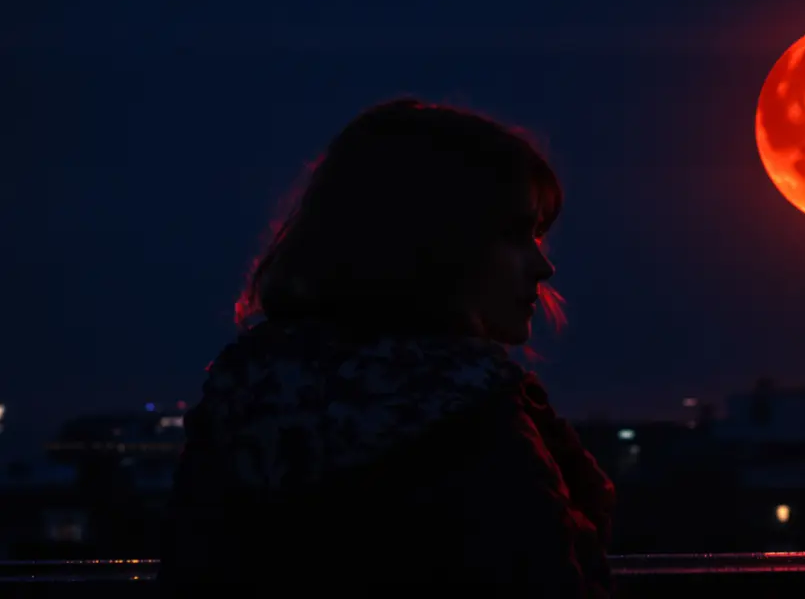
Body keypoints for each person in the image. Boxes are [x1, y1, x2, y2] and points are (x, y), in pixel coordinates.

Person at [157, 98, 616, 596]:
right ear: (436, 244)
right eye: (514, 235)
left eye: (537, 237)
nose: (542, 267)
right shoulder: (470, 421)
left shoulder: (244, 408)